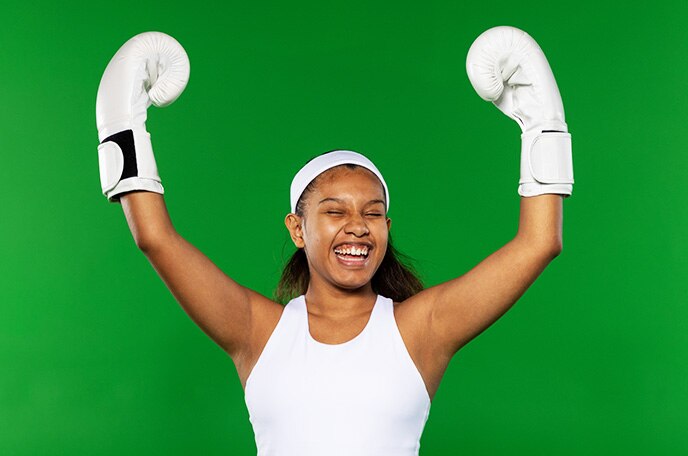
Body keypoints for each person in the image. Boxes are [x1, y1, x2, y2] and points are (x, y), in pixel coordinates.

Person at [95, 26, 573, 456]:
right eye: (335, 211)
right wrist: (121, 124)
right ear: (298, 229)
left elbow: (538, 243)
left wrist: (541, 123)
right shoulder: (256, 331)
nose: (359, 226)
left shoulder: (422, 329)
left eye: (373, 213)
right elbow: (156, 239)